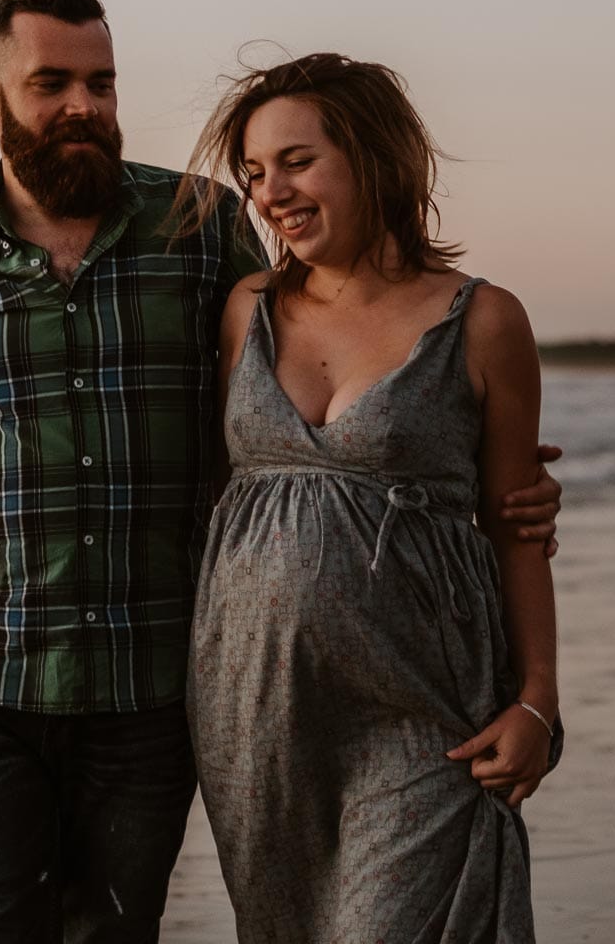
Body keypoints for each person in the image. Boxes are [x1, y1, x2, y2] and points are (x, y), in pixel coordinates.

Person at [0, 0, 566, 944]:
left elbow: (333, 406)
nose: (85, 104)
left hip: (159, 682)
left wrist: (487, 472)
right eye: (53, 83)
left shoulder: (202, 229)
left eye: (103, 81)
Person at [177, 53, 561, 943]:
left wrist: (538, 698)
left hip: (423, 708)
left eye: (297, 161)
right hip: (253, 707)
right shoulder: (245, 308)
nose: (271, 191)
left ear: (376, 155)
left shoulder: (485, 320)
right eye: (255, 172)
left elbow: (516, 527)